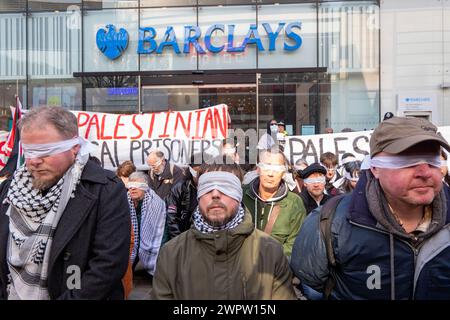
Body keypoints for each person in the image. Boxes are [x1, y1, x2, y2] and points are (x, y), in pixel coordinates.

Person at [291, 116, 450, 300]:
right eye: (408, 161)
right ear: (375, 167)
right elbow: (309, 286)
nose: (425, 172)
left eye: (433, 160)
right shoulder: (331, 222)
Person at [0, 106, 130, 299]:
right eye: (29, 151)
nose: (34, 161)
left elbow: (106, 267)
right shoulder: (9, 190)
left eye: (45, 151)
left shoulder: (106, 190)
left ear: (74, 147)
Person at [151, 162, 297, 300]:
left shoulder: (270, 252)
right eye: (207, 187)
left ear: (239, 195)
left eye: (225, 186)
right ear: (198, 195)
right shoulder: (171, 254)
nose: (215, 193)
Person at [242, 149, 307, 256]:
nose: (271, 174)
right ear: (258, 169)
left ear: (283, 173)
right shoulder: (241, 196)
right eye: (266, 167)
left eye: (277, 169)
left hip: (276, 268)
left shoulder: (294, 203)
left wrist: (270, 258)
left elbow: (295, 244)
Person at [165, 152, 210, 240]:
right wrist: (179, 240)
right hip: (185, 238)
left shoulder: (214, 189)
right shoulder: (180, 189)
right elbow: (172, 217)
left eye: (202, 173)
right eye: (196, 172)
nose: (199, 176)